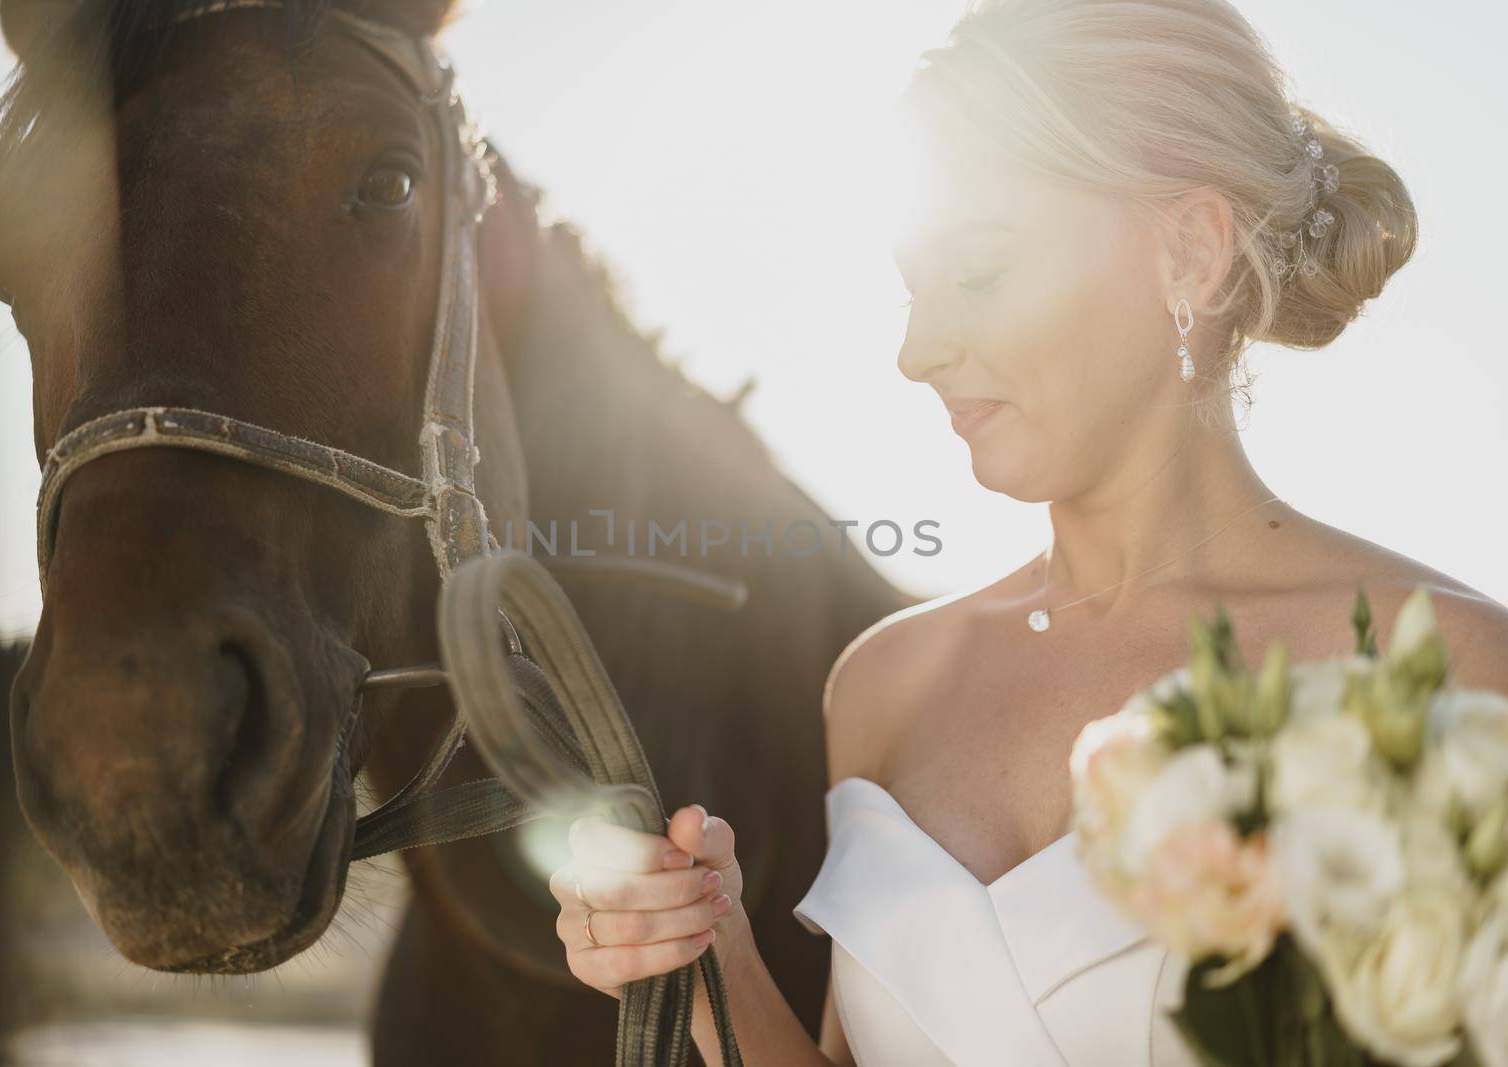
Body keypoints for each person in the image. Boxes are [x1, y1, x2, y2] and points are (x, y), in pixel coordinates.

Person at [548, 0, 1508, 1062]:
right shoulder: (885, 687)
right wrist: (707, 960)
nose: (916, 351)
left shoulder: (1446, 677)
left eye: (981, 270)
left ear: (1188, 251)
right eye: (911, 288)